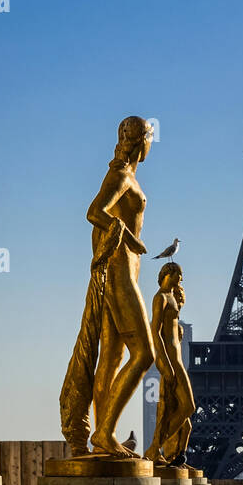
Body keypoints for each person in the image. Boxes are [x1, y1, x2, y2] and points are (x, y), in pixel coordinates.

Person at [59, 116, 155, 456]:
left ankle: (103, 437)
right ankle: (104, 432)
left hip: (124, 272)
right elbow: (94, 211)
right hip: (119, 275)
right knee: (145, 354)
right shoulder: (121, 176)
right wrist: (129, 237)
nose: (149, 147)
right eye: (148, 139)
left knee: (111, 358)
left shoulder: (126, 176)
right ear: (140, 140)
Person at [144, 263, 195, 466]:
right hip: (171, 360)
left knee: (181, 411)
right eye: (179, 274)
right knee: (187, 407)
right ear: (169, 273)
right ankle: (155, 447)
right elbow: (154, 331)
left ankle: (164, 450)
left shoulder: (172, 297)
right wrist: (163, 361)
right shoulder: (161, 298)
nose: (181, 278)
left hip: (177, 359)